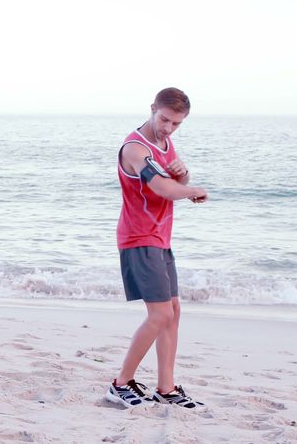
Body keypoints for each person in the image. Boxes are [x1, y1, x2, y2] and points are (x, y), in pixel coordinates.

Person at [105, 87, 209, 409]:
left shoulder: (165, 144)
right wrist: (190, 187)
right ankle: (120, 383)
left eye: (176, 124)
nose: (168, 128)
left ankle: (166, 388)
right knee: (160, 314)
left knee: (173, 312)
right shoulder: (135, 149)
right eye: (164, 119)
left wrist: (184, 173)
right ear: (153, 109)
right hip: (139, 237)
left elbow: (172, 182)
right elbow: (160, 187)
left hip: (160, 238)